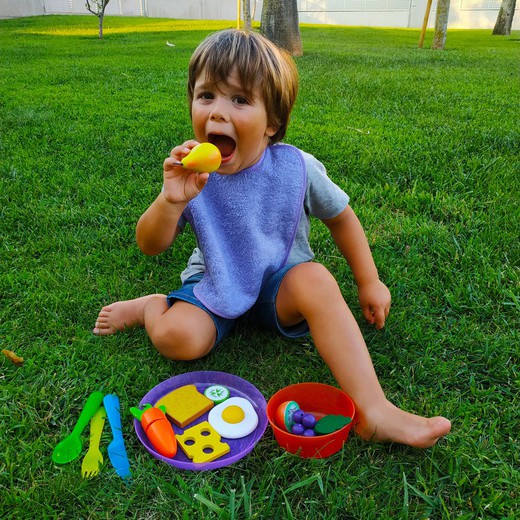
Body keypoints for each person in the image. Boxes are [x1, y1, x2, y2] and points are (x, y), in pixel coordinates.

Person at [93, 29, 451, 448]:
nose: (218, 112)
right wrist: (170, 201)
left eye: (240, 100)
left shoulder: (296, 168)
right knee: (179, 340)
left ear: (272, 124)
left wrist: (368, 280)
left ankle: (374, 410)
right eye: (206, 95)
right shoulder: (192, 173)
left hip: (281, 288)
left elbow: (342, 218)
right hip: (215, 285)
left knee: (315, 278)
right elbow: (150, 245)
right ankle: (151, 307)